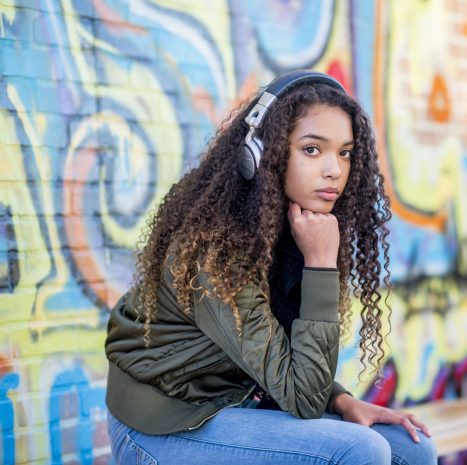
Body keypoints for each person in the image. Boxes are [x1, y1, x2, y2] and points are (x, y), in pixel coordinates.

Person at [104, 70, 438, 465]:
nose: (334, 169)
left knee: (411, 450)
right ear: (261, 154)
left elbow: (275, 359)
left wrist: (343, 399)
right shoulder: (215, 252)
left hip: (233, 405)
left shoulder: (287, 232)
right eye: (312, 149)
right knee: (359, 450)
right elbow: (303, 399)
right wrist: (320, 265)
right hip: (163, 429)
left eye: (344, 152)